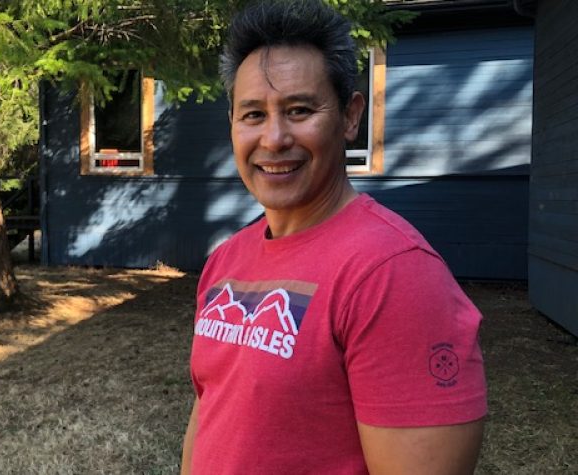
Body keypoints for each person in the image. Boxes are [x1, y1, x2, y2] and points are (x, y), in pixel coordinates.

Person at [181, 1, 487, 473]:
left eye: (299, 110)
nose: (274, 138)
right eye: (253, 115)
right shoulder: (226, 260)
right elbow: (209, 413)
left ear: (349, 117)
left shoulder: (394, 273)